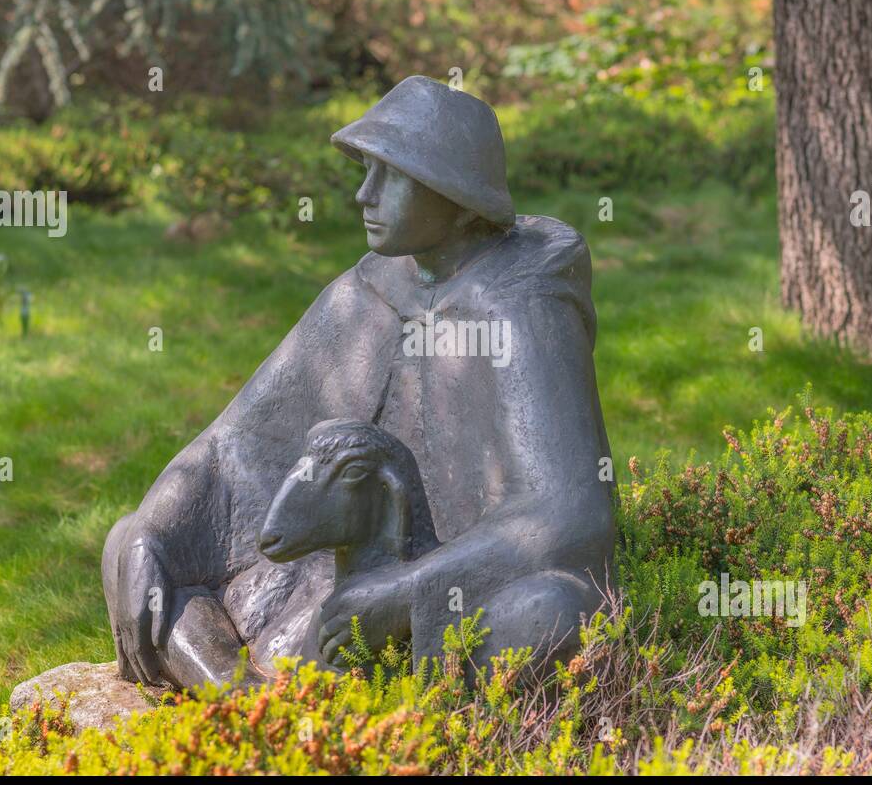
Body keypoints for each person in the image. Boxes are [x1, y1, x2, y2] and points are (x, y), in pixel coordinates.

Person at [102, 75, 614, 688]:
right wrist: (156, 532)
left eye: (388, 175)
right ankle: (241, 694)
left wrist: (405, 594)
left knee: (550, 615)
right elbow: (236, 444)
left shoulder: (521, 302)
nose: (363, 195)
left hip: (451, 583)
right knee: (131, 547)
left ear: (453, 194)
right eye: (365, 171)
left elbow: (567, 511)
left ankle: (250, 694)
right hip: (328, 576)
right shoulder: (367, 288)